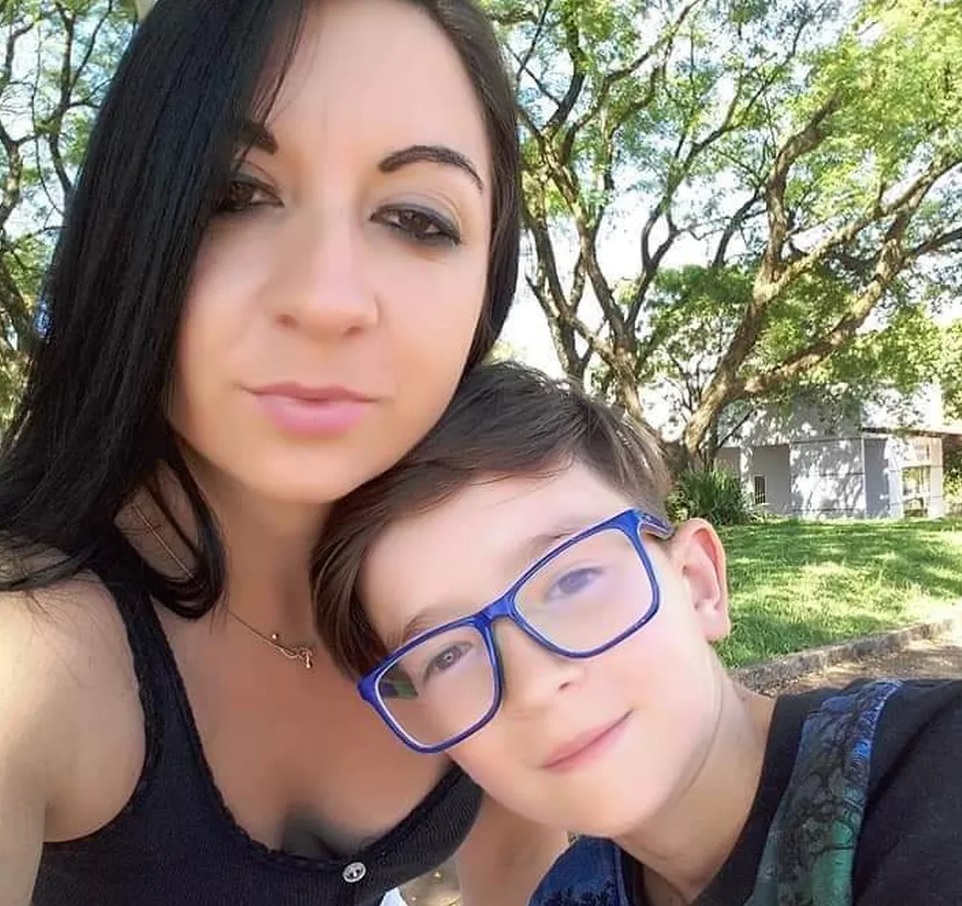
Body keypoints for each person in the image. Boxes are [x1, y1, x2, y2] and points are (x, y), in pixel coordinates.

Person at [0, 1, 569, 903]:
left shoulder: (485, 572)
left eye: (417, 218)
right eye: (233, 196)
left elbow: (527, 868)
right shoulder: (27, 653)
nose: (327, 299)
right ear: (129, 225)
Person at [312, 360, 962, 906]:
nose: (532, 685)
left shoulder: (930, 777)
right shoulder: (568, 895)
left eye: (572, 580)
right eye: (448, 653)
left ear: (699, 583)